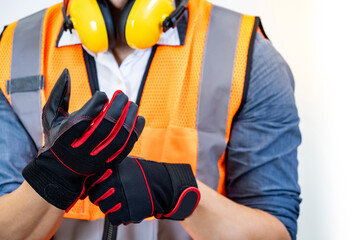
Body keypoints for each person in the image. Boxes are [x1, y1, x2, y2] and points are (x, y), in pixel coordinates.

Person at [0, 0, 301, 239]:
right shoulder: (12, 51)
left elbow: (275, 233)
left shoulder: (245, 52)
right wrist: (55, 175)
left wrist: (175, 190)